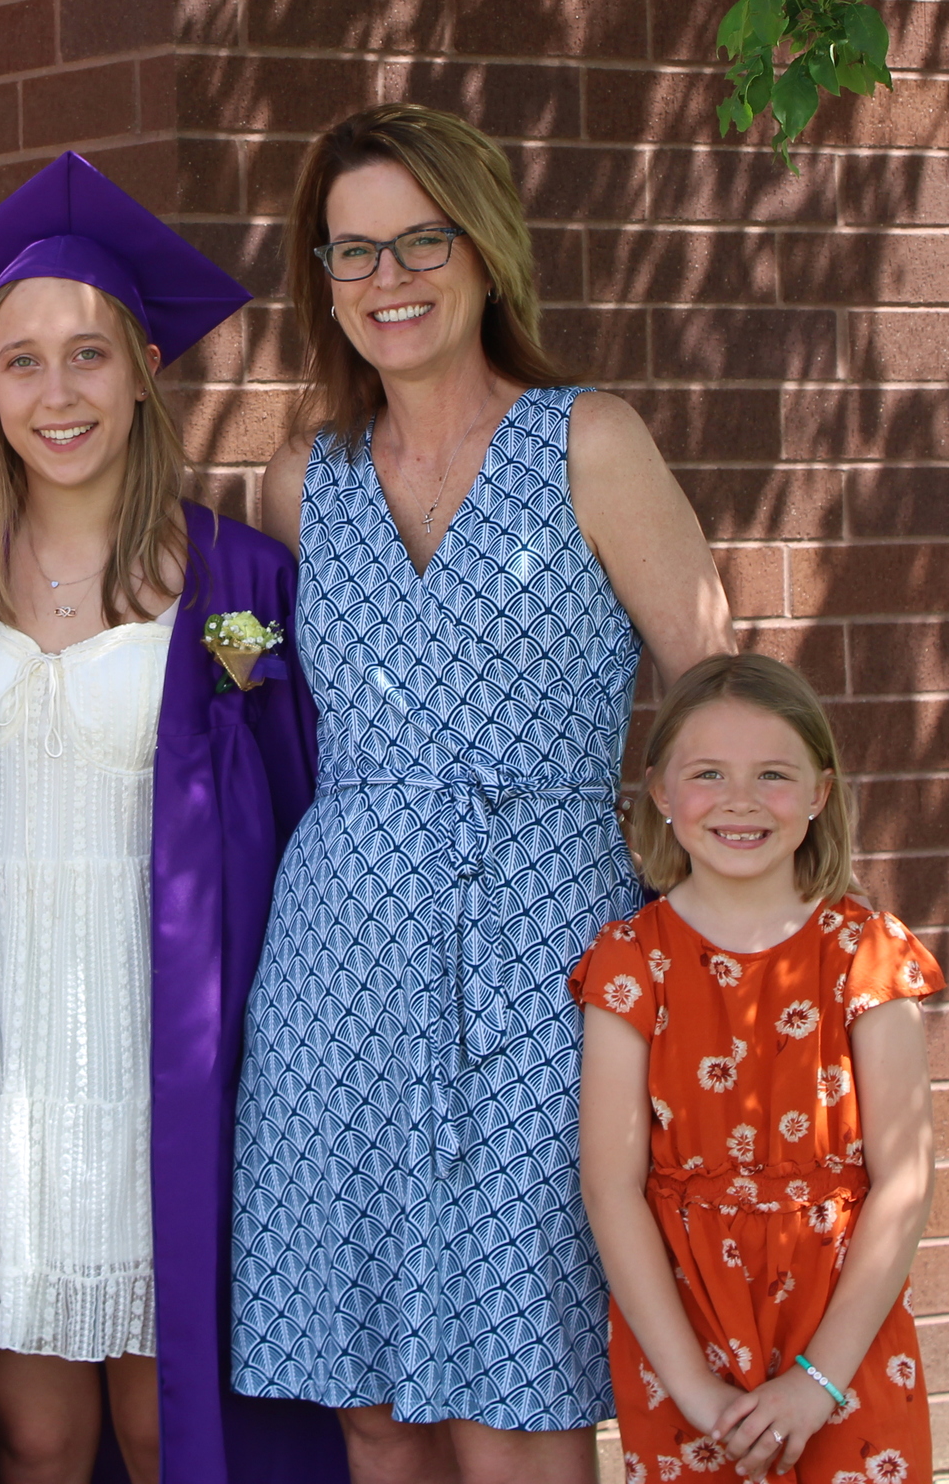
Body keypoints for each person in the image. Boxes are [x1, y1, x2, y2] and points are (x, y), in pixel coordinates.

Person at [231, 104, 737, 1484]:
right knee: (376, 1406)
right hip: (339, 959)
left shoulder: (590, 442)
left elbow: (717, 695)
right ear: (319, 282)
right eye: (352, 255)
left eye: (419, 242)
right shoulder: (298, 487)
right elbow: (242, 676)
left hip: (549, 947)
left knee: (516, 1396)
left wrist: (729, 935)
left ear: (485, 249)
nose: (388, 281)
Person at [0, 155, 351, 1484]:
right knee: (34, 1440)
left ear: (146, 364)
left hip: (164, 1044)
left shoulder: (241, 579)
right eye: (20, 362)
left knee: (168, 1426)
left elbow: (301, 822)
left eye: (88, 354)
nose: (56, 393)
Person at [570, 652, 939, 1484]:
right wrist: (696, 1392)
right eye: (709, 774)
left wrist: (817, 1384)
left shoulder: (866, 958)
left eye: (773, 774)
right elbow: (610, 1187)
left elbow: (906, 1183)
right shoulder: (631, 964)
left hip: (843, 1345)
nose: (740, 801)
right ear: (661, 793)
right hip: (684, 1342)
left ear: (819, 793)